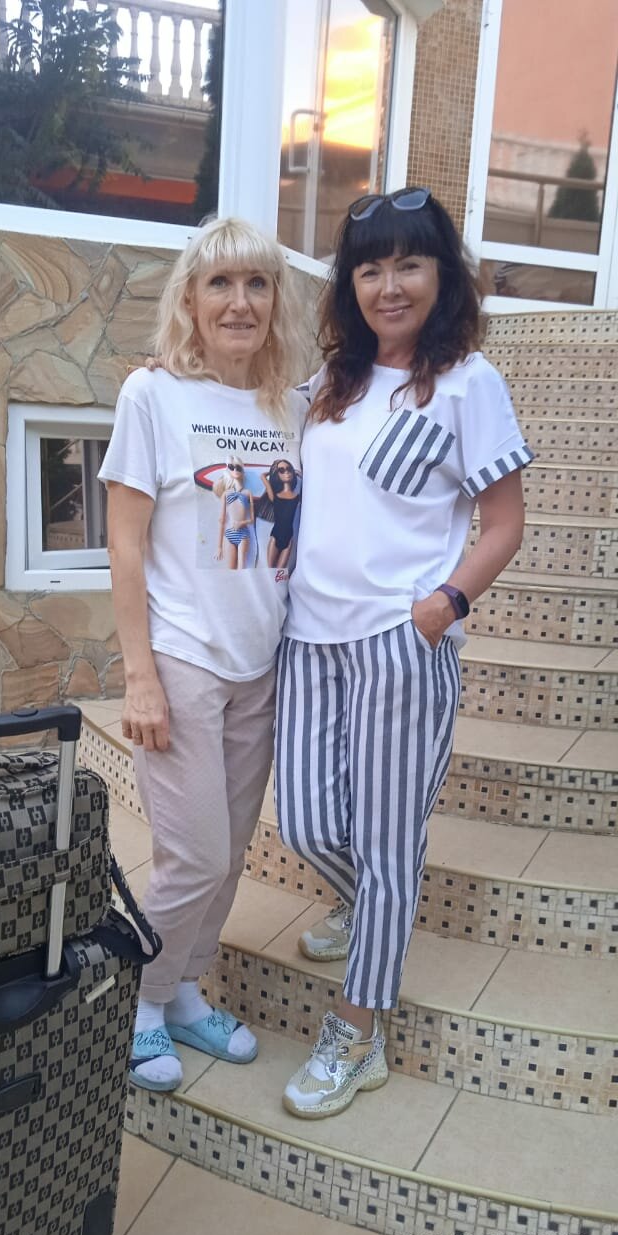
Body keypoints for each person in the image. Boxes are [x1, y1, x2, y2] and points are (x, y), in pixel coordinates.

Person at [274, 187, 533, 1119]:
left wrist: (443, 606)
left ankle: (359, 1032)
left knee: (387, 845)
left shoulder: (468, 383)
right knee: (305, 823)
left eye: (409, 264)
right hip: (309, 637)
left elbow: (503, 523)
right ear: (350, 282)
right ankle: (365, 909)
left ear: (441, 274)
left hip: (399, 642)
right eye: (370, 267)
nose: (389, 285)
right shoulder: (333, 380)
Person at [98, 217, 306, 1092]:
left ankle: (185, 992)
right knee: (196, 857)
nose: (239, 302)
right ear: (190, 299)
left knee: (230, 849)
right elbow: (125, 545)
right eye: (220, 283)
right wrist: (140, 677)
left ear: (275, 301)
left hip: (261, 664)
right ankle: (139, 1006)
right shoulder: (153, 396)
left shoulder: (291, 406)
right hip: (183, 658)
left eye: (257, 284)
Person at [214, 456, 258, 569]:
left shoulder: (248, 493)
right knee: (230, 569)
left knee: (241, 567)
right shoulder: (226, 494)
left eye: (238, 468)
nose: (235, 470)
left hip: (243, 534)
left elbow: (252, 519)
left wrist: (242, 523)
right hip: (229, 534)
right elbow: (222, 521)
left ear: (242, 471)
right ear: (228, 470)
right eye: (231, 467)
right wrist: (219, 547)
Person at [260, 458, 302, 568]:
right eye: (282, 470)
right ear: (277, 474)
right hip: (275, 537)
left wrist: (298, 473)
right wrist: (273, 472)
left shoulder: (297, 497)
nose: (286, 472)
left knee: (280, 573)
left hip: (289, 539)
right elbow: (262, 476)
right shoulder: (275, 496)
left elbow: (309, 486)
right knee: (270, 571)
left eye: (289, 469)